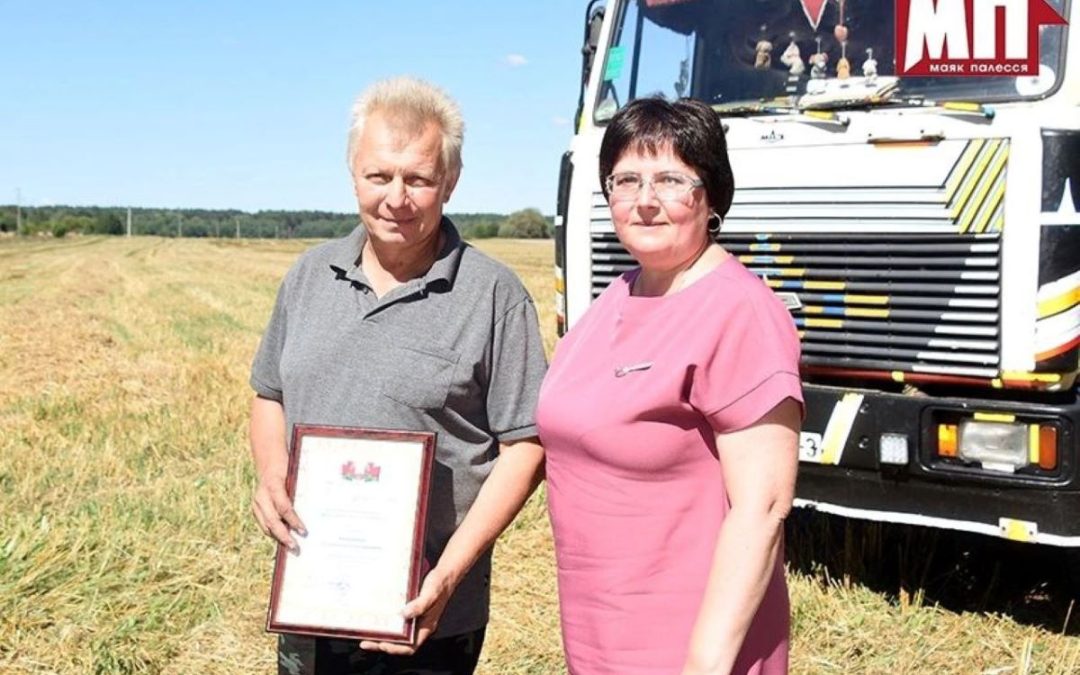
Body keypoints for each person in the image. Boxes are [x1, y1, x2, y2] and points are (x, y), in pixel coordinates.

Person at [248, 76, 547, 675]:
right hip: (311, 597)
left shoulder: (493, 295)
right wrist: (271, 474)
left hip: (430, 612)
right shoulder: (308, 276)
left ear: (450, 182)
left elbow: (528, 445)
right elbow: (269, 393)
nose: (396, 198)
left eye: (418, 179)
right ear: (353, 173)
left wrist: (450, 573)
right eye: (379, 176)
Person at [537, 97, 803, 675]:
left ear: (712, 197)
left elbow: (762, 508)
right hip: (602, 631)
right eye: (626, 180)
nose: (645, 200)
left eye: (670, 180)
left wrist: (705, 663)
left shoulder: (740, 312)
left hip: (690, 643)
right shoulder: (616, 295)